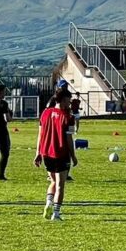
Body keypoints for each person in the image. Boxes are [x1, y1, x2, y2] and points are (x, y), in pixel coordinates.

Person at [35, 84, 78, 221]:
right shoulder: (68, 117)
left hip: (46, 153)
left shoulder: (45, 113)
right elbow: (69, 138)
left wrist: (38, 152)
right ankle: (56, 213)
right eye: (68, 100)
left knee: (53, 181)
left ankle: (48, 203)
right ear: (63, 99)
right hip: (60, 153)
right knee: (60, 184)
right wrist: (73, 156)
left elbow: (40, 134)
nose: (69, 103)